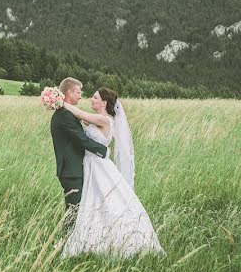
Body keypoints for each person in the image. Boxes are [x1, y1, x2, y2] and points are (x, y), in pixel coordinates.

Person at [59, 86, 165, 258]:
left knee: (105, 202)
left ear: (104, 102)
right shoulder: (99, 119)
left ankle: (116, 240)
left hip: (98, 166)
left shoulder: (104, 120)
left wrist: (58, 100)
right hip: (93, 164)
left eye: (94, 97)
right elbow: (82, 122)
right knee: (96, 202)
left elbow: (79, 114)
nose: (91, 100)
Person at [50, 77, 109, 239]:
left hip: (74, 169)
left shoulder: (66, 113)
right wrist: (103, 150)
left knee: (78, 208)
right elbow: (81, 140)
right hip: (71, 171)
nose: (81, 96)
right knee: (73, 210)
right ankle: (65, 243)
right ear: (68, 93)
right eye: (78, 92)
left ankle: (76, 240)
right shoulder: (65, 116)